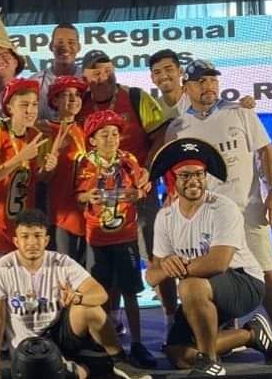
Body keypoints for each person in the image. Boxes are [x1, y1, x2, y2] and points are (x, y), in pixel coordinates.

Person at [165, 59, 272, 343]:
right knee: (220, 277)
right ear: (186, 87)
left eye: (213, 80)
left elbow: (266, 151)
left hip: (248, 211)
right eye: (201, 81)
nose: (209, 86)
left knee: (267, 271)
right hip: (209, 219)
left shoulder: (240, 112)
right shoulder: (178, 127)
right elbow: (175, 175)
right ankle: (233, 335)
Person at [146, 137, 272, 376]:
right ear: (173, 180)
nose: (194, 180)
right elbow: (152, 276)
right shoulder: (165, 218)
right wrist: (166, 267)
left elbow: (218, 263)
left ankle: (209, 363)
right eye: (185, 175)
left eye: (199, 174)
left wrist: (176, 267)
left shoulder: (223, 208)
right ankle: (251, 334)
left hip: (244, 282)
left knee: (189, 285)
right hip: (202, 290)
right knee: (179, 354)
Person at [0, 208, 152, 379]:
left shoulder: (62, 262)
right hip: (25, 347)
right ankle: (84, 366)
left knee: (90, 307)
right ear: (16, 241)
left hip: (60, 336)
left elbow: (101, 295)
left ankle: (120, 362)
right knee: (73, 374)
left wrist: (78, 297)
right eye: (25, 236)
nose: (32, 242)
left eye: (37, 235)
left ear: (46, 240)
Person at [78, 50, 164, 335]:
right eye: (96, 73)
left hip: (138, 190)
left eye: (107, 70)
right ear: (85, 77)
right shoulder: (80, 103)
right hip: (100, 202)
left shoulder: (136, 96)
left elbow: (160, 136)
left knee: (154, 255)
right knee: (106, 267)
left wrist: (146, 171)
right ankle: (111, 324)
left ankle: (171, 319)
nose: (103, 77)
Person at [75, 110, 156, 369]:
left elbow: (142, 188)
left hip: (126, 236)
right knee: (100, 292)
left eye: (114, 134)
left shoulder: (128, 159)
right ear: (92, 140)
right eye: (104, 135)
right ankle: (106, 344)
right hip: (97, 238)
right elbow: (78, 195)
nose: (111, 139)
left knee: (131, 292)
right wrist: (88, 197)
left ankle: (138, 343)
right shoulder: (85, 162)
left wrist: (139, 193)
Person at [0, 78, 57, 261]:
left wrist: (49, 169)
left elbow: (40, 179)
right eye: (24, 105)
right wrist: (20, 158)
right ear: (10, 108)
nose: (30, 110)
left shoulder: (37, 135)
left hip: (25, 225)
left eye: (34, 105)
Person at [41, 75, 88, 262]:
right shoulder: (45, 130)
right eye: (67, 95)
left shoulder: (88, 129)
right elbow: (42, 178)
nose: (74, 99)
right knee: (64, 270)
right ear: (54, 100)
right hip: (61, 215)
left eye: (77, 95)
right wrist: (49, 167)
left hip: (88, 214)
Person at [30, 23, 83, 121]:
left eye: (71, 42)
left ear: (78, 47)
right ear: (51, 46)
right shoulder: (35, 82)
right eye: (60, 42)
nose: (65, 47)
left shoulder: (86, 78)